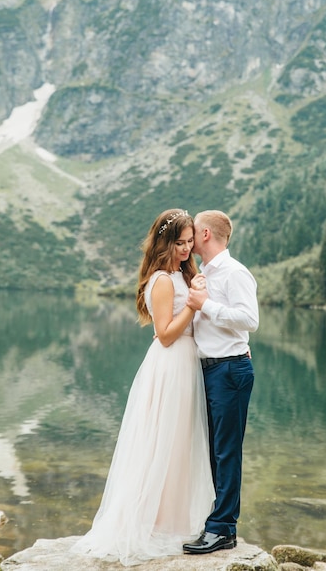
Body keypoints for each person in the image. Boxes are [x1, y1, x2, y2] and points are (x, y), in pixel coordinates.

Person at [71, 208, 215, 567]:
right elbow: (165, 335)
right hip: (170, 366)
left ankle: (169, 521)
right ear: (165, 243)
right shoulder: (162, 281)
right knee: (160, 442)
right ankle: (148, 522)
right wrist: (195, 308)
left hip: (186, 365)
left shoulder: (181, 274)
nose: (186, 249)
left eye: (189, 243)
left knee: (178, 444)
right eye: (179, 243)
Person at [183, 209, 259, 555]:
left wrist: (207, 305)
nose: (188, 236)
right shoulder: (205, 273)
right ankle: (216, 521)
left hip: (229, 371)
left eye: (193, 232)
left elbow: (249, 320)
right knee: (213, 451)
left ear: (206, 235)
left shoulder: (233, 272)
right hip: (212, 370)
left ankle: (223, 530)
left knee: (226, 452)